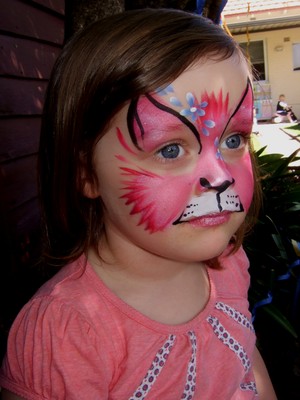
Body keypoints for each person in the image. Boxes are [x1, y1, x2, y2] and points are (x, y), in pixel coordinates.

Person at [0, 8, 277, 399]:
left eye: (233, 140)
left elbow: (244, 358)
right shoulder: (66, 333)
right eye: (170, 149)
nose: (220, 178)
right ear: (87, 174)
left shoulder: (229, 263)